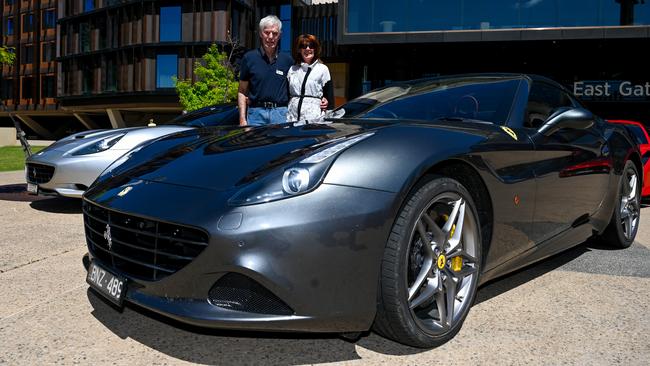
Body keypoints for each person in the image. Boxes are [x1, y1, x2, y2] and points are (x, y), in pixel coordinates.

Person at [237, 15, 294, 126]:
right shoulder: (249, 58)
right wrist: (242, 119)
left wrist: (320, 99)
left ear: (280, 35)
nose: (271, 37)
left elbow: (296, 89)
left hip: (280, 114)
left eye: (275, 33)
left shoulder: (287, 60)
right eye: (267, 32)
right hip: (255, 115)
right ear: (260, 34)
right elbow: (242, 91)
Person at [286, 34, 334, 122]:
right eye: (303, 46)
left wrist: (329, 118)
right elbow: (286, 93)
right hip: (292, 116)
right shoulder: (292, 69)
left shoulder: (323, 69)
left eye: (311, 46)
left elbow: (329, 96)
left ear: (315, 49)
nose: (307, 49)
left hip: (313, 117)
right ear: (299, 50)